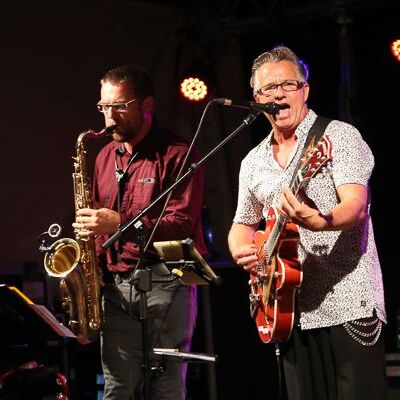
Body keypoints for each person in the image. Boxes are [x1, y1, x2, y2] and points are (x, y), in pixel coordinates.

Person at [228, 45, 387, 400]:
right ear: (257, 99)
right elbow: (242, 224)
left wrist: (320, 221)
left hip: (349, 303)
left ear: (305, 90)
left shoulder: (338, 137)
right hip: (290, 308)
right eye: (269, 88)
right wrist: (242, 251)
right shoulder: (252, 162)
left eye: (288, 84)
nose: (279, 94)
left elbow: (356, 206)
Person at [72, 65, 208, 399]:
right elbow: (99, 226)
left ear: (146, 105)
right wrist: (91, 277)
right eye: (104, 106)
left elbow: (180, 226)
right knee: (117, 390)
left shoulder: (178, 153)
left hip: (168, 280)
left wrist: (119, 223)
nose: (110, 116)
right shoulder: (104, 156)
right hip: (117, 288)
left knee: (166, 388)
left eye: (119, 106)